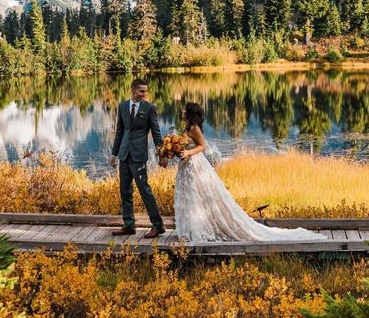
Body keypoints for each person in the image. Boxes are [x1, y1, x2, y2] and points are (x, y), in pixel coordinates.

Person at [174, 102, 328, 243]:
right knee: (192, 196)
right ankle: (192, 227)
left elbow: (202, 146)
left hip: (195, 164)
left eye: (184, 109)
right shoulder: (187, 128)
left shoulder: (194, 128)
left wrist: (188, 153)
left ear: (190, 113)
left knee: (200, 194)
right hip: (187, 165)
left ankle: (201, 228)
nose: (182, 111)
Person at [110, 78, 165, 238]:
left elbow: (156, 133)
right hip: (124, 154)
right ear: (133, 90)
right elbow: (120, 131)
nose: (144, 94)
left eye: (145, 91)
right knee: (124, 191)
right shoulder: (122, 106)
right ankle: (128, 225)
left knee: (144, 190)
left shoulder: (149, 108)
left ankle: (158, 225)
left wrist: (161, 154)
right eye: (142, 91)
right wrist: (114, 153)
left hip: (139, 156)